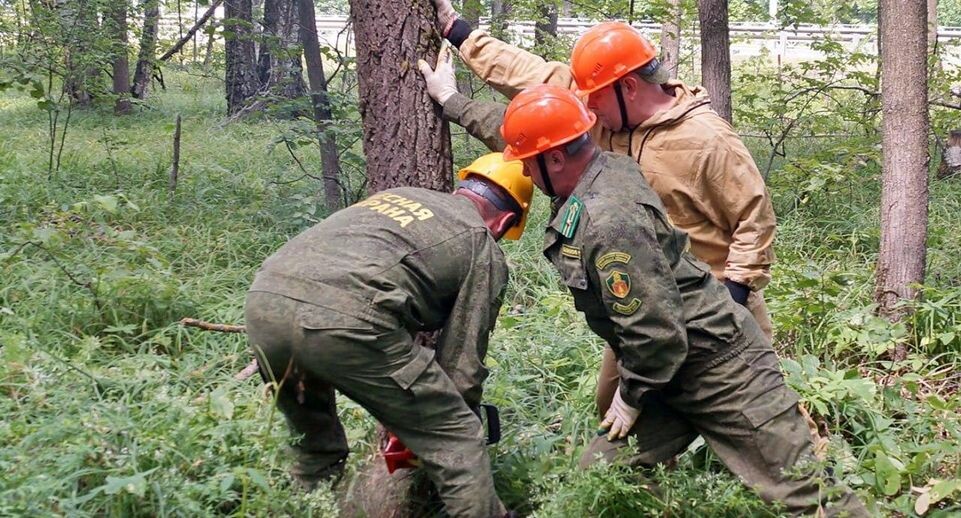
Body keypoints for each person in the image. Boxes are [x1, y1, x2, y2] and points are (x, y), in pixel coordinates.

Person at [499, 84, 867, 516]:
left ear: (556, 157)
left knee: (804, 490)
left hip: (721, 365)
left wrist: (631, 397)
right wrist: (454, 103)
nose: (525, 173)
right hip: (664, 370)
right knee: (600, 476)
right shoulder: (606, 165)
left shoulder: (608, 220)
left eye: (527, 163)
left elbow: (654, 331)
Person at [422, 13, 780, 418]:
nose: (584, 103)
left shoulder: (707, 139)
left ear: (628, 86)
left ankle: (812, 466)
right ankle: (646, 474)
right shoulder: (599, 117)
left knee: (763, 418)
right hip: (641, 300)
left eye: (594, 95)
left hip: (712, 302)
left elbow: (755, 219)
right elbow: (530, 80)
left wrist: (734, 295)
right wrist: (457, 34)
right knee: (615, 411)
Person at [244, 153, 533, 518]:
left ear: (464, 187)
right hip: (344, 319)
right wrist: (432, 420)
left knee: (316, 449)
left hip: (264, 303)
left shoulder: (403, 195)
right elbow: (463, 367)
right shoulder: (481, 243)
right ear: (506, 220)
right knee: (455, 433)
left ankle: (307, 507)